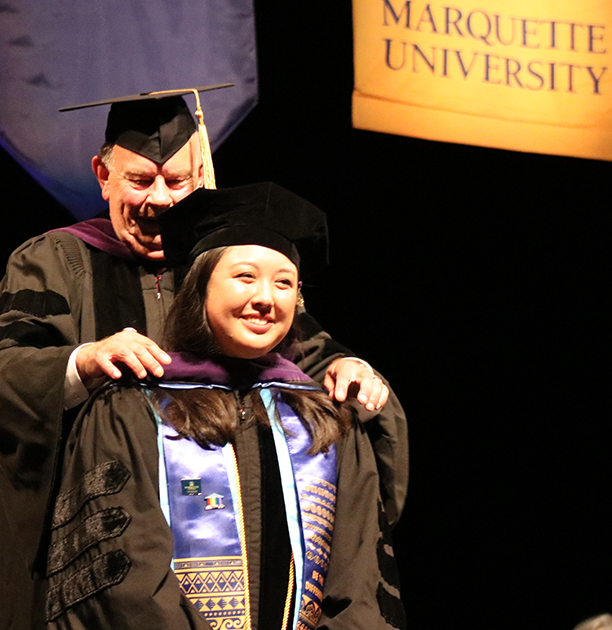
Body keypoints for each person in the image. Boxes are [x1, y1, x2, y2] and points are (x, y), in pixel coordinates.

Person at [0, 93, 407, 630]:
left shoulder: (226, 268)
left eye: (178, 183)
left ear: (204, 180)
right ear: (102, 175)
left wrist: (348, 367)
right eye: (140, 180)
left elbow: (302, 352)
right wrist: (83, 360)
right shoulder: (55, 260)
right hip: (85, 552)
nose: (162, 201)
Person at [45, 183, 402, 630]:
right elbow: (123, 578)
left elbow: (359, 582)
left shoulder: (325, 421)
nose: (266, 299)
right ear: (200, 288)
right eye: (245, 277)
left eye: (284, 283)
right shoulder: (131, 410)